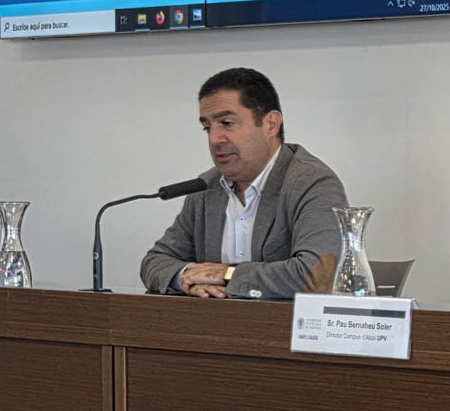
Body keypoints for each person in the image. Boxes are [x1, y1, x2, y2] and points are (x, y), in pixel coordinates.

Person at [140, 67, 348, 300]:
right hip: (212, 330)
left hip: (283, 332)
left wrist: (227, 275)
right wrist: (186, 276)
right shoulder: (206, 188)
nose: (214, 139)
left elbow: (317, 275)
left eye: (227, 123)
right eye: (207, 127)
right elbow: (155, 261)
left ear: (270, 124)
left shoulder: (312, 183)